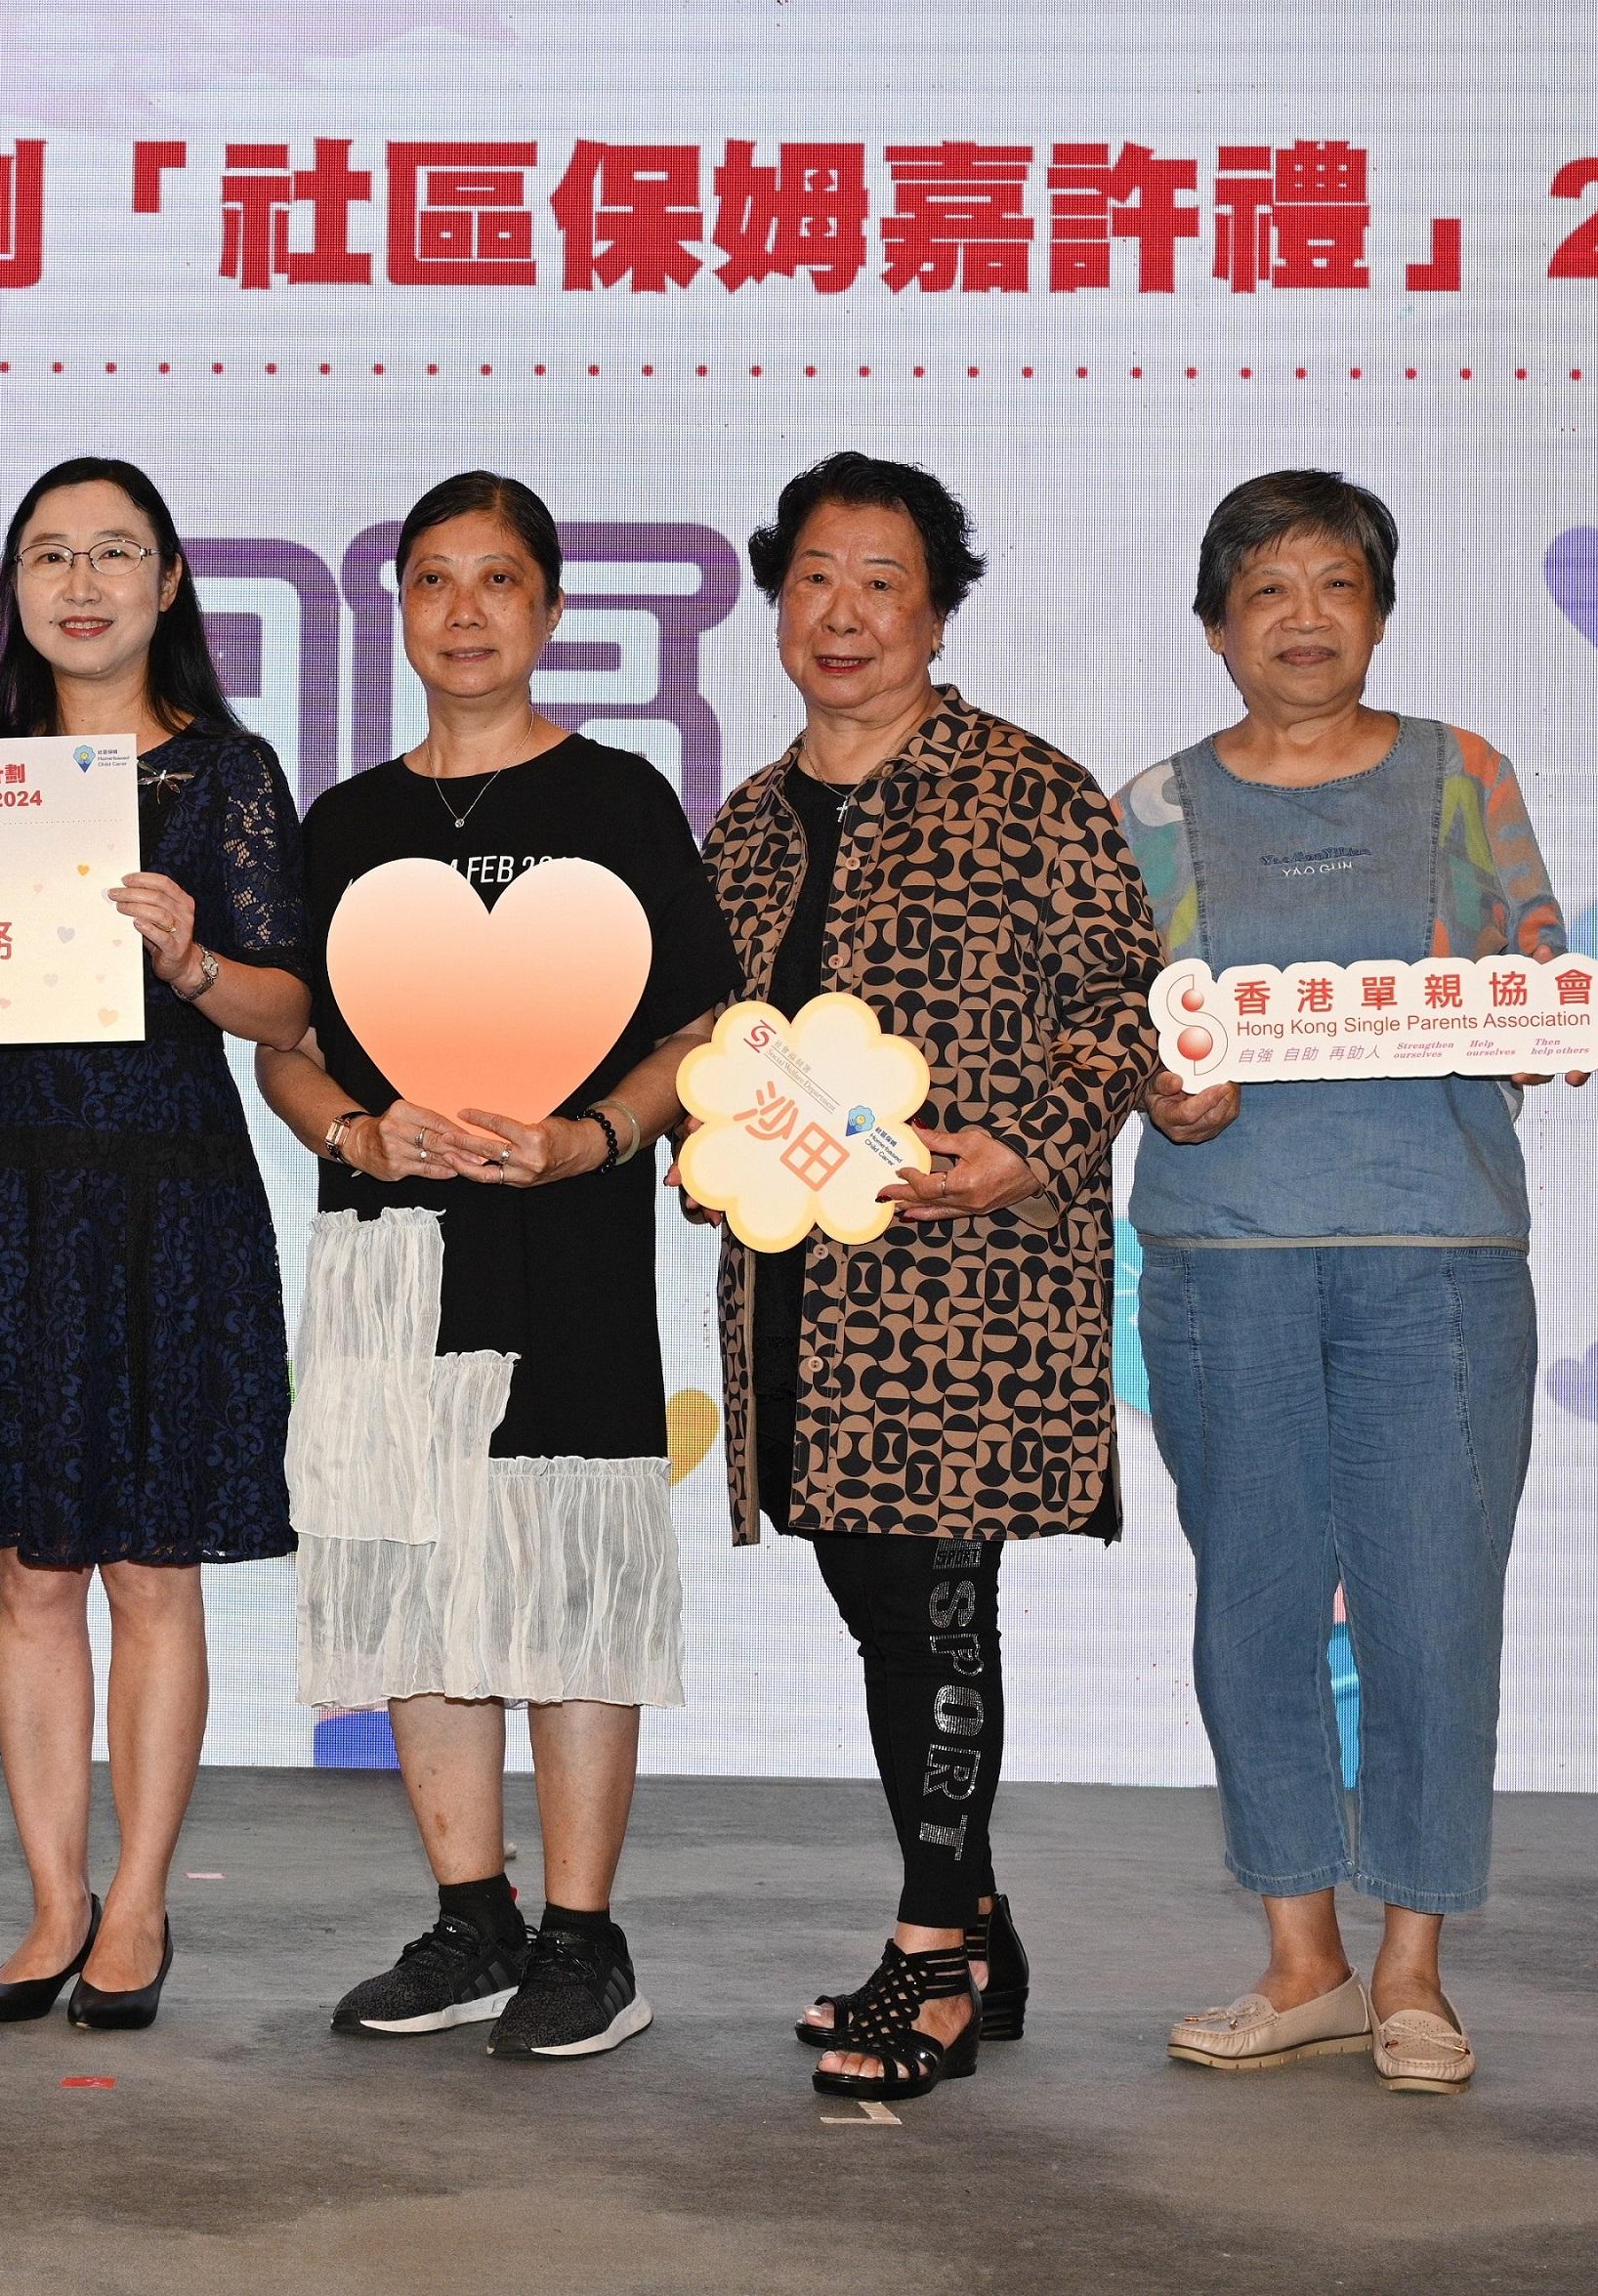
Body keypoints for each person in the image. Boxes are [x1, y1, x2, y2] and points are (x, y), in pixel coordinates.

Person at [1122, 469, 1598, 2096]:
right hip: (1222, 1259)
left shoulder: (1463, 777)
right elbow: (1133, 1030)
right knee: (1249, 1608)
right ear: (1214, 627)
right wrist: (1158, 1088)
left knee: (1433, 1610)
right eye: (1267, 591)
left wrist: (1554, 1018)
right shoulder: (1157, 805)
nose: (1304, 618)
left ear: (1380, 611)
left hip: (1440, 1256)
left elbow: (1538, 947)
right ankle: (1301, 1956)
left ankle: (1415, 1969)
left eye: (1335, 584)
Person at [696, 450, 1158, 2102]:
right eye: (814, 575)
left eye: (882, 579)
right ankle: (977, 1916)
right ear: (775, 602)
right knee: (884, 1605)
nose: (844, 613)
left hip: (965, 1282)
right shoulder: (744, 825)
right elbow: (710, 1045)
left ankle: (934, 1955)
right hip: (803, 1297)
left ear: (939, 609)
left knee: (942, 1604)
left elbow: (1127, 996)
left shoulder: (1032, 792)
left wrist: (1031, 1137)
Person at [254, 471, 727, 2063]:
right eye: (435, 581)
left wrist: (594, 1138)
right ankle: (475, 1917)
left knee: (568, 1573)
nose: (465, 612)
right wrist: (354, 1133)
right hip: (389, 1259)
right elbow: (294, 1054)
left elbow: (702, 1030)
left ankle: (588, 1940)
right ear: (395, 607)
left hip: (569, 1247)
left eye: (499, 581)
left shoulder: (620, 799)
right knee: (406, 1570)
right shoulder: (348, 822)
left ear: (551, 608)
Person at [0, 457, 309, 2032]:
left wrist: (195, 961)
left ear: (171, 582)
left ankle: (138, 1905)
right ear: (17, 587)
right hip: (5, 1188)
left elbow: (290, 1003)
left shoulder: (230, 777)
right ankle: (52, 1898)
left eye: (117, 549)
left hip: (168, 1190)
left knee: (150, 1569)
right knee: (30, 1571)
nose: (84, 578)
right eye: (51, 551)